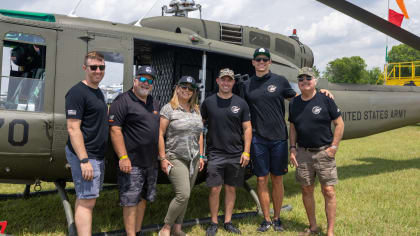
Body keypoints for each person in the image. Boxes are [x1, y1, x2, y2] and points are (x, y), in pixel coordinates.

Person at [242, 48, 332, 232]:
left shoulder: (280, 81)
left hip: (278, 139)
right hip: (258, 139)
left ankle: (276, 218)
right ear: (253, 62)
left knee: (277, 179)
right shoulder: (246, 85)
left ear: (269, 62)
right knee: (261, 179)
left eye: (265, 59)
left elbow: (300, 97)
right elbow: (242, 111)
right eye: (258, 59)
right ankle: (266, 219)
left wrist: (320, 92)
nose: (261, 62)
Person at [288, 67, 344, 236]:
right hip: (303, 153)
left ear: (315, 81)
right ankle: (313, 227)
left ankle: (330, 231)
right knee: (306, 189)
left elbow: (339, 124)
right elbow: (293, 127)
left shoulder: (325, 98)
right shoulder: (294, 103)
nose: (304, 81)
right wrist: (292, 149)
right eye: (301, 79)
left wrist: (333, 147)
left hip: (323, 152)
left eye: (308, 78)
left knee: (328, 191)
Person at [109, 66, 160, 236]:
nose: (146, 83)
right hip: (132, 162)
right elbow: (115, 130)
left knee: (143, 198)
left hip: (151, 162)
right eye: (143, 80)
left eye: (150, 81)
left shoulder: (154, 102)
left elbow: (157, 131)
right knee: (130, 201)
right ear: (135, 80)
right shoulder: (122, 101)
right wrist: (123, 157)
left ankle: (137, 232)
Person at [201, 69, 252, 236]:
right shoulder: (208, 102)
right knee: (215, 189)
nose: (226, 83)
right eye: (223, 80)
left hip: (236, 153)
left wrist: (246, 152)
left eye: (229, 80)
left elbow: (247, 128)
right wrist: (201, 153)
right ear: (217, 81)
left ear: (233, 82)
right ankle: (214, 222)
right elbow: (200, 128)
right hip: (215, 153)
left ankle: (228, 221)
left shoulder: (241, 103)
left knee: (231, 188)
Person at [65, 51, 108, 236]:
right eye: (93, 67)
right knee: (88, 202)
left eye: (101, 67)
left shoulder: (98, 92)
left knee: (84, 198)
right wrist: (84, 161)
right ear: (85, 68)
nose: (98, 71)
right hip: (86, 155)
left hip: (96, 155)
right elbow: (73, 128)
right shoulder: (77, 92)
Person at [158, 76, 205, 236]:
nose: (186, 90)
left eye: (190, 88)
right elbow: (160, 134)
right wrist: (163, 158)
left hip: (194, 158)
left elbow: (200, 134)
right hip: (175, 156)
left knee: (187, 196)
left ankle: (178, 228)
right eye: (183, 87)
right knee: (183, 194)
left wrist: (202, 155)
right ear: (177, 88)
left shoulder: (196, 109)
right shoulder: (168, 108)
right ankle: (166, 227)